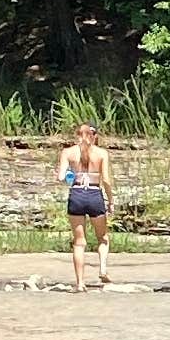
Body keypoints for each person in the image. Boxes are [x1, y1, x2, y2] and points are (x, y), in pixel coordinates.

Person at [58, 122, 114, 290]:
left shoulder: (67, 152)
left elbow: (61, 177)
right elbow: (105, 180)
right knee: (102, 237)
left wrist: (71, 174)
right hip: (94, 195)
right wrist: (110, 200)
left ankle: (80, 283)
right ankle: (103, 269)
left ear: (77, 135)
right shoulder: (101, 153)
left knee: (79, 242)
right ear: (94, 136)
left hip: (76, 195)